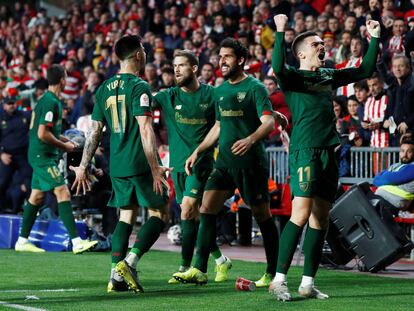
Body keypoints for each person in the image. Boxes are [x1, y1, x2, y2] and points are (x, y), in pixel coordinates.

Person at [271, 14, 380, 301]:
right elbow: (277, 67)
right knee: (301, 212)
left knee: (321, 218)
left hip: (328, 151)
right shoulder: (294, 77)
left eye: (323, 43)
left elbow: (366, 68)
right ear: (303, 53)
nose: (323, 46)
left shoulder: (328, 74)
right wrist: (280, 31)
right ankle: (279, 280)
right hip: (305, 149)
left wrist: (375, 37)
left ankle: (307, 283)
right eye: (316, 43)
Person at [173, 38, 287, 288]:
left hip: (250, 164)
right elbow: (218, 125)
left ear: (241, 60)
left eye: (227, 57)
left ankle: (272, 272)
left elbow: (269, 121)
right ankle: (199, 269)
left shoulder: (255, 87)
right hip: (223, 163)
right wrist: (198, 151)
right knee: (206, 209)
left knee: (262, 215)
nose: (221, 61)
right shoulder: (220, 90)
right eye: (220, 56)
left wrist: (251, 139)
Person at [70, 35, 170, 294]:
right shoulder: (139, 87)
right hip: (140, 161)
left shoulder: (103, 88)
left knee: (126, 215)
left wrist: (83, 165)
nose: (146, 54)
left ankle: (115, 277)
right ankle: (130, 262)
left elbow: (94, 132)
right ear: (138, 55)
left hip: (117, 164)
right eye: (144, 50)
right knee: (161, 213)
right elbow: (146, 129)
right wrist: (155, 167)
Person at [153, 50, 230, 284]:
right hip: (176, 166)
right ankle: (220, 260)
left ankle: (185, 266)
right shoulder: (168, 96)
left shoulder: (212, 94)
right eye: (174, 65)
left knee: (187, 210)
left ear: (194, 68)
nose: (176, 70)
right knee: (192, 219)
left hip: (201, 164)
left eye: (182, 65)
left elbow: (220, 124)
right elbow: (142, 102)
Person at [14, 64, 98, 254]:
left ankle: (22, 240)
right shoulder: (52, 102)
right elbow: (43, 134)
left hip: (38, 153)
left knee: (36, 196)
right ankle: (77, 242)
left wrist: (65, 139)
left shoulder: (46, 100)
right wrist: (65, 146)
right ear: (62, 80)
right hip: (43, 155)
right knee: (62, 191)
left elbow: (45, 131)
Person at [0, 95, 32, 213]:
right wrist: (1, 154)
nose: (11, 105)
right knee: (2, 183)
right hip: (7, 156)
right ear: (4, 105)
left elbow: (36, 120)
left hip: (23, 155)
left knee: (30, 183)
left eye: (13, 103)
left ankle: (31, 210)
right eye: (9, 103)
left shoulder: (23, 116)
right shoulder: (1, 119)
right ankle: (2, 210)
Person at [373, 135, 414, 214]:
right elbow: (376, 180)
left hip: (394, 203)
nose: (405, 155)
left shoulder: (412, 168)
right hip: (383, 198)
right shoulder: (396, 165)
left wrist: (385, 176)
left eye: (409, 152)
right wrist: (384, 178)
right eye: (402, 151)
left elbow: (384, 179)